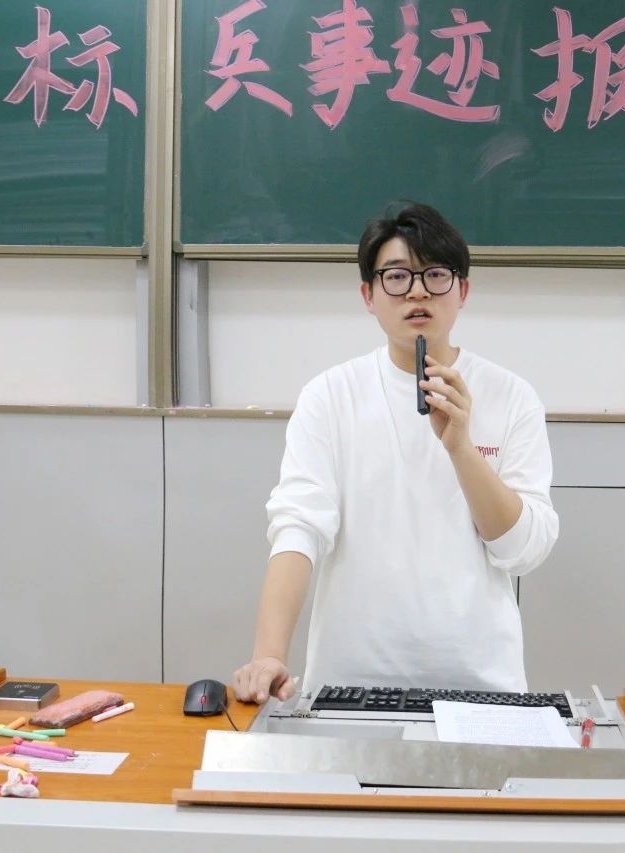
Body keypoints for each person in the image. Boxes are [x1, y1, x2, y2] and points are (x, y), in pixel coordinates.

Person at [233, 202, 559, 703]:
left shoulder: (511, 397)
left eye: (436, 275)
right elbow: (299, 526)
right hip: (350, 684)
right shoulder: (330, 396)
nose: (418, 291)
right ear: (369, 294)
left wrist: (461, 448)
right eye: (397, 276)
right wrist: (268, 655)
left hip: (480, 684)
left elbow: (523, 551)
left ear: (463, 291)